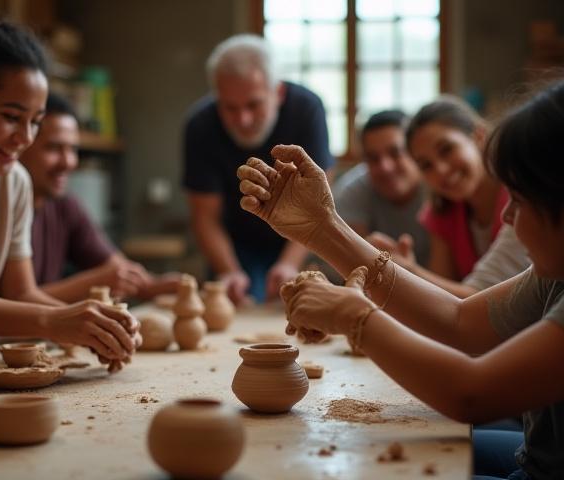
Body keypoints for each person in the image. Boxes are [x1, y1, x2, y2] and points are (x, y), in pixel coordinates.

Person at [237, 81, 564, 479]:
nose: (507, 217)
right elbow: (459, 323)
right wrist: (323, 228)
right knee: (364, 448)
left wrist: (356, 318)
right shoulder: (554, 274)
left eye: (522, 200)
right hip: (537, 453)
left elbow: (472, 394)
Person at [0, 6, 138, 376]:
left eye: (35, 122)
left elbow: (20, 293)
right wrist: (55, 321)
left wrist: (87, 325)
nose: (25, 138)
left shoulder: (14, 182)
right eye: (11, 117)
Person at [183, 34, 335, 305]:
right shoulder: (200, 125)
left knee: (299, 308)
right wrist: (228, 271)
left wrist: (289, 264)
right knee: (236, 302)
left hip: (301, 233)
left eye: (253, 105)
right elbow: (205, 216)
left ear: (277, 93)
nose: (243, 119)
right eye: (230, 108)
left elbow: (320, 202)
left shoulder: (307, 109)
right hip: (233, 240)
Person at [20, 92, 180, 303]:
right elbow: (14, 301)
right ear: (21, 144)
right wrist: (94, 283)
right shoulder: (0, 209)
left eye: (73, 149)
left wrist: (161, 285)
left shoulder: (65, 206)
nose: (68, 162)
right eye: (53, 148)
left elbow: (116, 269)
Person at [367, 96, 509, 298]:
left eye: (447, 149)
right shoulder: (443, 212)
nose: (441, 170)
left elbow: (487, 300)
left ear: (478, 136)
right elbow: (442, 303)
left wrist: (408, 271)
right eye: (426, 165)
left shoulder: (520, 197)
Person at [333, 109, 430, 267]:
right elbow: (355, 268)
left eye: (395, 153)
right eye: (373, 158)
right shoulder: (351, 191)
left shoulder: (437, 185)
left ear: (414, 151)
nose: (385, 167)